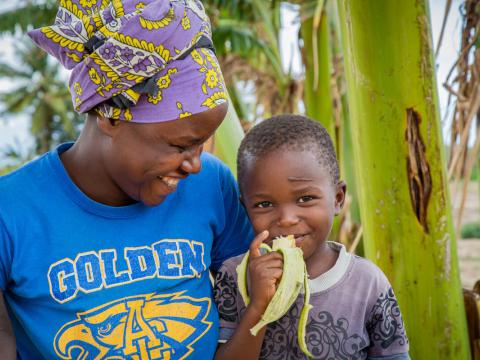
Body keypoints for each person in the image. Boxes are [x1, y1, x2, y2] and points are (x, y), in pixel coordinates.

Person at [0, 0, 253, 358]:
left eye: (201, 145)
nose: (194, 164)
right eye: (181, 145)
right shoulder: (11, 212)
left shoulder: (212, 186)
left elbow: (248, 311)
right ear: (111, 117)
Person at [214, 114, 410, 360]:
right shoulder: (234, 277)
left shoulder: (368, 283)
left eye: (305, 199)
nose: (286, 219)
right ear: (246, 208)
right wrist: (258, 307)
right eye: (264, 204)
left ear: (338, 198)